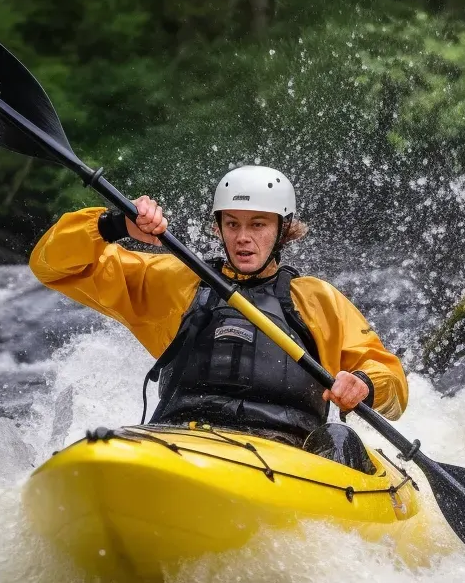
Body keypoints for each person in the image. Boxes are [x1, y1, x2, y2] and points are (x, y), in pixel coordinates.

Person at [29, 165, 407, 473]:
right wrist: (113, 227)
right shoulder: (174, 281)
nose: (243, 237)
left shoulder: (317, 300)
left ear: (283, 230)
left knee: (340, 437)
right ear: (218, 227)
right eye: (232, 224)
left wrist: (362, 383)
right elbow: (53, 268)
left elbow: (390, 380)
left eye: (258, 224)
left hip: (291, 460)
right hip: (180, 446)